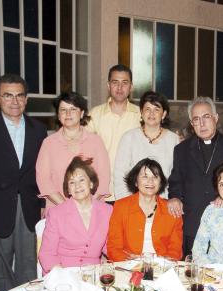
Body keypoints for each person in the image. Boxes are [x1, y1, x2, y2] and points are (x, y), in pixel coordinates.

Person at [0, 74, 47, 291]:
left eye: (19, 95)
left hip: (30, 208)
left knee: (29, 266)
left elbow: (40, 171)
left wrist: (43, 205)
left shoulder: (38, 130)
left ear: (26, 99)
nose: (14, 101)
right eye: (8, 96)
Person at [167, 97, 223, 256]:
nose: (202, 123)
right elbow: (175, 181)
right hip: (193, 223)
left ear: (216, 118)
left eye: (206, 117)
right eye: (196, 119)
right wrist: (174, 197)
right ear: (192, 124)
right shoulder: (182, 149)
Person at [36, 92, 110, 211]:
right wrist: (68, 207)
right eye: (63, 110)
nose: (68, 114)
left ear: (81, 113)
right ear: (58, 115)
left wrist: (87, 206)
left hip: (93, 210)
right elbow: (43, 180)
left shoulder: (96, 141)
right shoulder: (48, 143)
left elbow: (104, 178)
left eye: (73, 109)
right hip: (58, 209)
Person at [39, 157, 113, 274]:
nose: (77, 186)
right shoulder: (56, 214)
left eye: (82, 180)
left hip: (93, 275)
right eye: (72, 182)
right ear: (68, 189)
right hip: (63, 275)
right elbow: (46, 254)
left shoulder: (107, 211)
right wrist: (65, 277)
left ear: (91, 184)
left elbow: (111, 247)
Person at [107, 158, 182, 261]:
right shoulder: (121, 207)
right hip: (128, 267)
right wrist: (133, 263)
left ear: (160, 182)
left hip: (162, 267)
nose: (150, 181)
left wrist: (158, 261)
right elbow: (113, 248)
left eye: (155, 177)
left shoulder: (172, 209)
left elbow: (175, 251)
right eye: (145, 176)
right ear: (136, 182)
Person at [86, 64, 141, 202]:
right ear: (108, 85)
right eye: (115, 82)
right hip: (101, 193)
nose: (120, 87)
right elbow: (83, 150)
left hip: (132, 191)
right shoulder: (94, 115)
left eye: (125, 83)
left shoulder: (141, 116)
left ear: (131, 87)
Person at [113, 91, 179, 199]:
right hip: (133, 203)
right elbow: (120, 175)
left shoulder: (174, 140)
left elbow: (177, 178)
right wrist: (127, 203)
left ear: (164, 114)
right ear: (141, 112)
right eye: (147, 109)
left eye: (156, 109)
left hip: (165, 204)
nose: (151, 113)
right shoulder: (129, 138)